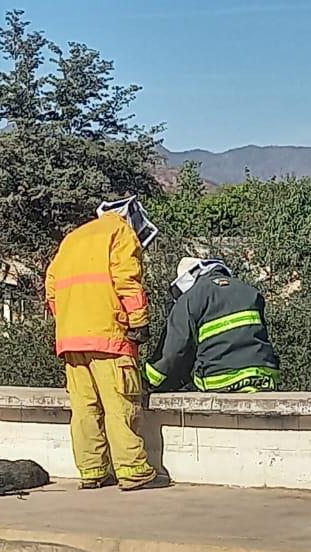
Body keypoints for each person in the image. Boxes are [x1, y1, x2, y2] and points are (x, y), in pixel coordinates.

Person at [45, 196, 171, 491]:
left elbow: (51, 288)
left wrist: (69, 319)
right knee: (120, 403)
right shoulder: (121, 232)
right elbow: (127, 279)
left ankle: (92, 471)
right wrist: (139, 320)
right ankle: (133, 471)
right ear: (132, 217)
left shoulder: (74, 237)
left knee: (84, 407)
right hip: (109, 334)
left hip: (71, 338)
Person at [144, 257, 281, 393]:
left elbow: (172, 354)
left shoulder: (189, 299)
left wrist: (148, 379)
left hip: (220, 378)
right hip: (265, 376)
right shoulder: (250, 292)